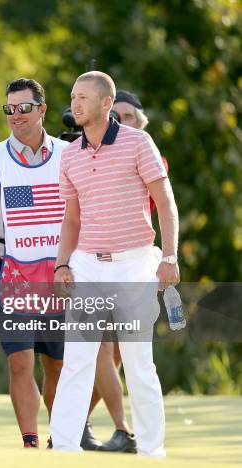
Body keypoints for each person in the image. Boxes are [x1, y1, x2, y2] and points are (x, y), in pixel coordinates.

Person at [49, 71, 179, 457]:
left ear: (107, 103)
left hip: (135, 264)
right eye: (73, 97)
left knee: (139, 363)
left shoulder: (138, 143)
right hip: (87, 264)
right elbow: (71, 218)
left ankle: (152, 453)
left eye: (84, 97)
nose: (75, 104)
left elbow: (166, 203)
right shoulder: (69, 154)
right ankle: (65, 450)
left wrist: (169, 257)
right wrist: (61, 265)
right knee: (76, 360)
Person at [0, 78, 68, 448]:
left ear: (42, 109)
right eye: (9, 109)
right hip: (10, 272)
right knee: (20, 361)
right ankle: (30, 443)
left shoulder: (71, 154)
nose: (15, 115)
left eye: (23, 108)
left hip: (61, 274)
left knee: (57, 364)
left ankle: (61, 438)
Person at [82, 89, 169, 452]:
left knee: (129, 360)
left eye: (128, 116)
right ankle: (119, 429)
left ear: (139, 123)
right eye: (114, 113)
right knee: (97, 351)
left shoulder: (146, 153)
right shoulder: (86, 152)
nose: (119, 120)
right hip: (93, 265)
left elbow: (158, 203)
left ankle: (94, 429)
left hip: (133, 266)